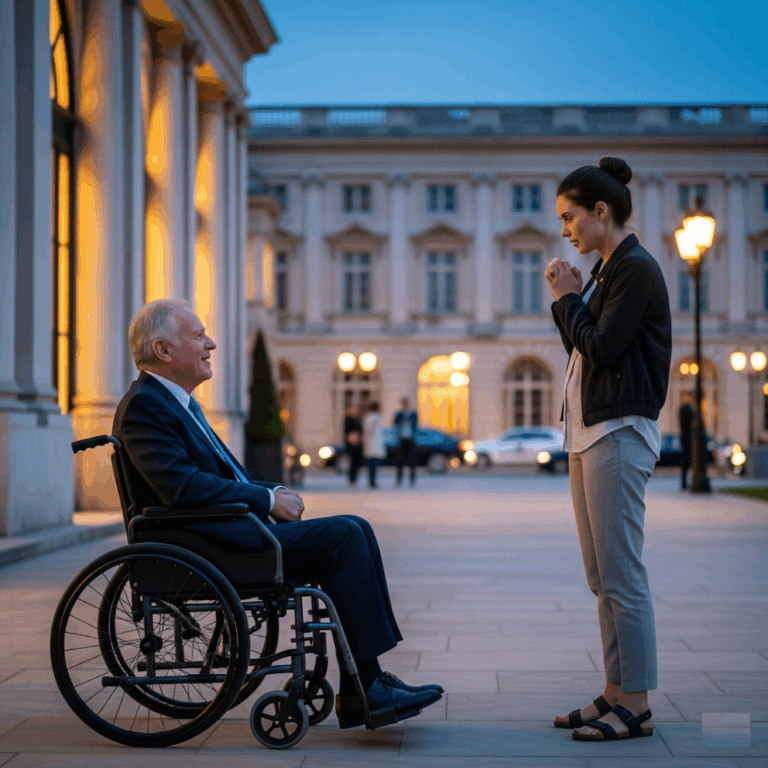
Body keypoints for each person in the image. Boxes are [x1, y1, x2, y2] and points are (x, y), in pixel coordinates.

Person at [113, 299, 443, 730]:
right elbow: (182, 487)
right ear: (163, 350)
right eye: (198, 336)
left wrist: (273, 491)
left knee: (355, 528)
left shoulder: (174, 403)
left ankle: (364, 683)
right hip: (208, 546)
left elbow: (218, 476)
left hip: (222, 532)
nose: (211, 344)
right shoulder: (146, 406)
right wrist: (267, 501)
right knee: (345, 536)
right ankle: (366, 686)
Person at [546, 158, 671, 742]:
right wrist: (570, 300)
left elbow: (602, 348)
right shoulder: (607, 272)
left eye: (571, 217)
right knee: (601, 576)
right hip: (589, 432)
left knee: (622, 575)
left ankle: (637, 703)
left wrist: (566, 298)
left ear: (601, 211)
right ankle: (616, 690)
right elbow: (585, 349)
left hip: (618, 431)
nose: (565, 229)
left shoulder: (636, 269)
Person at [393, 397, 418, 486]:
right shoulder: (399, 414)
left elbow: (416, 423)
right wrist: (402, 420)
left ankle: (412, 479)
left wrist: (409, 420)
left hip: (410, 439)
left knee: (412, 461)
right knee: (400, 460)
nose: (405, 406)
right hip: (402, 439)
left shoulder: (413, 414)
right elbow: (395, 423)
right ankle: (399, 479)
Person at [362, 402, 386, 488]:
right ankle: (372, 482)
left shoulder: (372, 417)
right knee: (372, 465)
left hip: (372, 443)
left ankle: (372, 481)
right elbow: (369, 430)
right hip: (372, 444)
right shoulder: (373, 417)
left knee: (372, 465)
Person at [343, 404, 364, 487]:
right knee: (352, 461)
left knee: (357, 462)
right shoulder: (348, 419)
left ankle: (355, 478)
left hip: (358, 443)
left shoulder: (358, 419)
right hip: (351, 443)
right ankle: (351, 478)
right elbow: (346, 431)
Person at [678, 402, 694, 490]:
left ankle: (684, 483)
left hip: (685, 442)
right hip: (689, 443)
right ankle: (686, 483)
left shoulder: (682, 415)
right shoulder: (687, 415)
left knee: (685, 465)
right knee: (688, 463)